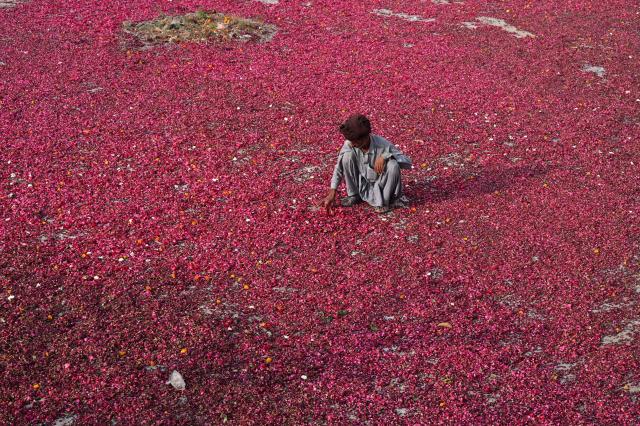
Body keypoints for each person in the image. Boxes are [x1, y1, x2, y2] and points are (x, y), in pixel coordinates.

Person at [321, 114, 412, 214]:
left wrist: (385, 156)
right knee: (346, 157)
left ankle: (384, 202)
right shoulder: (349, 144)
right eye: (351, 141)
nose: (352, 144)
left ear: (365, 137)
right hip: (362, 183)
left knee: (393, 165)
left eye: (355, 141)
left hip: (381, 185)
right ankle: (354, 195)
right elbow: (339, 167)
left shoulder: (381, 143)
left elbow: (407, 161)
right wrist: (332, 191)